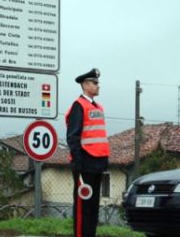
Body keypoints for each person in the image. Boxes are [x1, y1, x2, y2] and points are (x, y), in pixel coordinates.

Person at [65, 68, 110, 237]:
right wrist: (77, 162)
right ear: (85, 85)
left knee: (93, 207)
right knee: (83, 207)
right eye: (95, 83)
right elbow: (73, 136)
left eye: (98, 83)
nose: (98, 86)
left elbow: (99, 136)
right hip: (84, 162)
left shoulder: (99, 107)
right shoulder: (79, 106)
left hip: (97, 163)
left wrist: (105, 160)